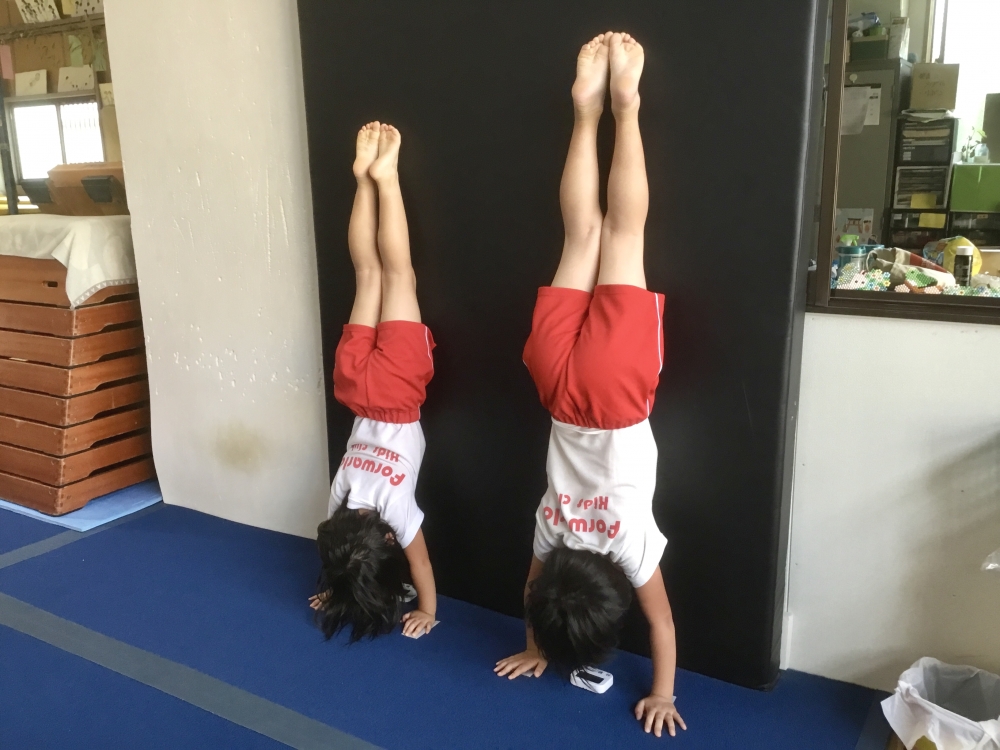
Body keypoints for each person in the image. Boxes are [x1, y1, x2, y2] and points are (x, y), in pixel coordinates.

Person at [494, 32, 686, 739]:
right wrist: (535, 644)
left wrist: (663, 694)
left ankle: (625, 107)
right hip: (557, 389)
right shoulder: (549, 532)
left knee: (621, 236)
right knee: (581, 235)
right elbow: (532, 591)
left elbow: (661, 624)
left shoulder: (631, 548)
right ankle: (585, 114)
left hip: (617, 394)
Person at [310, 122, 438, 641]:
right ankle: (363, 179)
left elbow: (421, 565)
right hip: (355, 389)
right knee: (365, 274)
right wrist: (336, 586)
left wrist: (428, 611)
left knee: (397, 275)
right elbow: (339, 550)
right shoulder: (339, 501)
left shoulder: (395, 514)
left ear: (386, 540)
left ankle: (386, 178)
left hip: (398, 394)